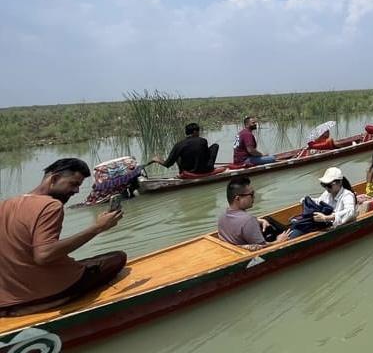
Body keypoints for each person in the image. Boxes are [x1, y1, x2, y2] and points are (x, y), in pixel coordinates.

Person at [0, 158, 127, 317]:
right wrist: (98, 227)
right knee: (117, 257)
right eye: (73, 184)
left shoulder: (5, 205)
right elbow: (44, 255)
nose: (76, 191)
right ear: (54, 179)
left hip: (6, 299)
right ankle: (52, 300)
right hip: (41, 293)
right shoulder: (50, 205)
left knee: (87, 262)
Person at [217, 176, 290, 250]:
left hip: (234, 247)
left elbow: (238, 222)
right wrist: (278, 241)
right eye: (251, 194)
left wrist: (259, 220)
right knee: (293, 232)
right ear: (238, 198)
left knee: (267, 220)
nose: (254, 197)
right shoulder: (248, 220)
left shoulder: (222, 215)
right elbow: (262, 247)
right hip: (250, 251)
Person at [288, 167, 357, 239]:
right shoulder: (328, 193)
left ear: (339, 182)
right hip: (322, 223)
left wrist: (326, 218)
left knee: (297, 232)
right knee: (297, 226)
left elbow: (350, 212)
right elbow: (319, 201)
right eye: (324, 185)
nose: (327, 188)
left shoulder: (347, 195)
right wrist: (306, 200)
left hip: (331, 224)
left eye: (329, 186)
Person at [151, 122, 219, 174]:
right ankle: (209, 168)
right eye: (198, 132)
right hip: (205, 170)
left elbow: (167, 164)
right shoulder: (203, 140)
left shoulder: (178, 145)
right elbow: (206, 156)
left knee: (178, 155)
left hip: (187, 171)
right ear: (195, 132)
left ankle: (182, 172)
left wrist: (157, 160)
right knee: (215, 146)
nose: (199, 134)